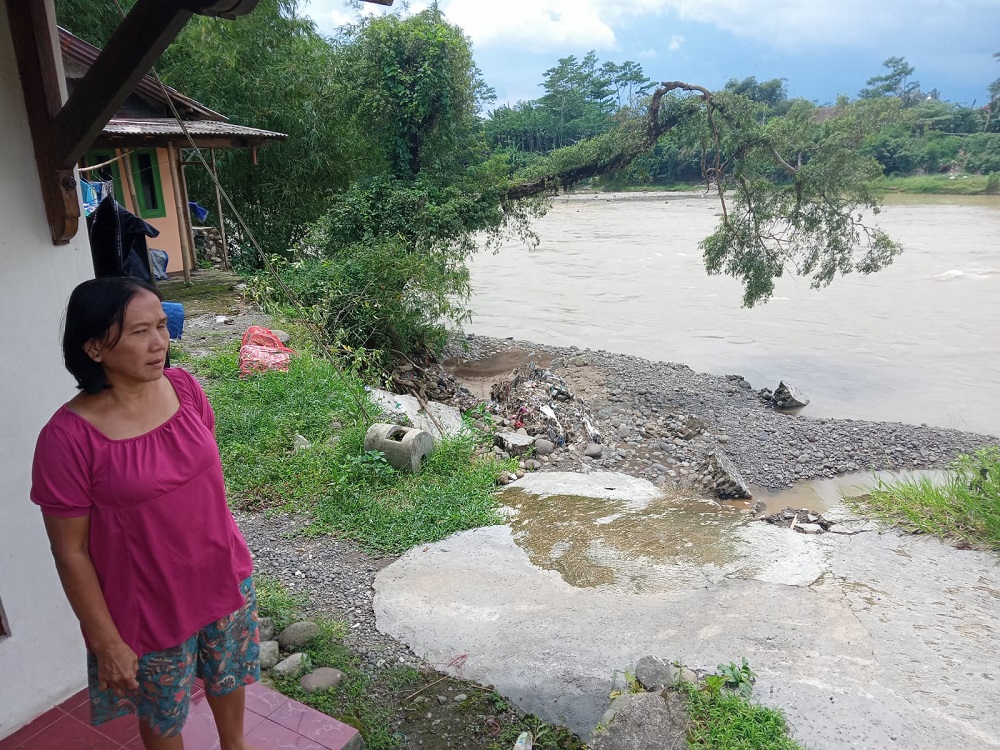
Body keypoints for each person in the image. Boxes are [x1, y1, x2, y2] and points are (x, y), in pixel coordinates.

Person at [30, 277, 259, 750]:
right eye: (139, 332)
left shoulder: (186, 389)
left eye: (161, 326)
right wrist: (106, 642)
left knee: (228, 676)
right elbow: (69, 551)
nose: (160, 343)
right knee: (163, 714)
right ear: (94, 347)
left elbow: (202, 484)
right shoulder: (67, 439)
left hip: (221, 573)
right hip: (147, 607)